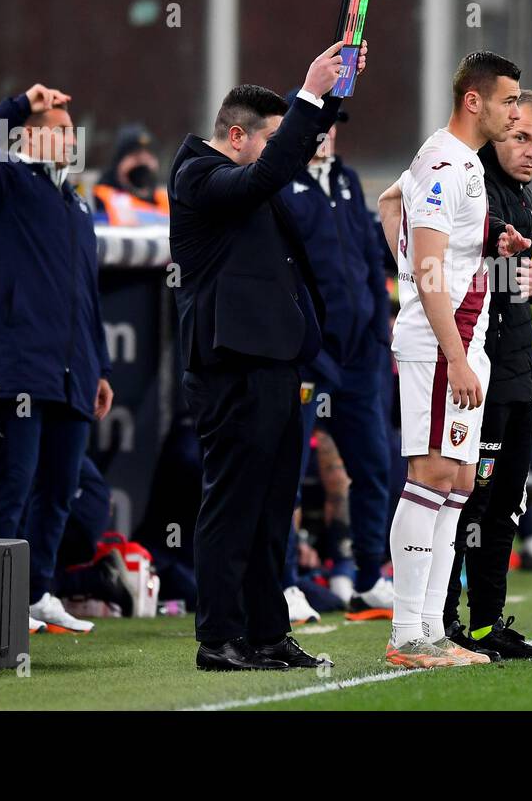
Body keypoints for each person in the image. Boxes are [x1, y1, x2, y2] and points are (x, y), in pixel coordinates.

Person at [168, 39, 361, 672]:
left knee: (274, 507)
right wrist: (308, 92)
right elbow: (269, 172)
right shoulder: (199, 175)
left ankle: (266, 633)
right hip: (232, 366)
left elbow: (278, 165)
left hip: (275, 362)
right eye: (273, 137)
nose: (286, 149)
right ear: (235, 135)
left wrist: (330, 97)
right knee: (232, 504)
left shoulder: (251, 176)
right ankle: (218, 637)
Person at [375, 50, 523, 669]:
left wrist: (493, 253)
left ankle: (431, 630)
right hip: (444, 346)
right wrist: (456, 355)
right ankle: (409, 633)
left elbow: (388, 203)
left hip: (462, 341)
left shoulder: (454, 162)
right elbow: (431, 263)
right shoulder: (445, 161)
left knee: (458, 483)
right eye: (509, 101)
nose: (514, 113)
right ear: (475, 100)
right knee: (432, 476)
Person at [0, 85, 114, 635]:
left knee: (60, 490)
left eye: (71, 130)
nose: (70, 139)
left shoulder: (75, 202)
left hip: (73, 369)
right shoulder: (2, 183)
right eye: (59, 128)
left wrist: (102, 365)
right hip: (19, 365)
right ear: (25, 133)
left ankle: (37, 590)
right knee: (12, 483)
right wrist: (20, 102)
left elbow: (86, 293)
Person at [435, 89, 532, 660]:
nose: (531, 152)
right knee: (468, 501)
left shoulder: (522, 195)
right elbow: (461, 272)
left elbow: (516, 276)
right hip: (478, 369)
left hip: (518, 372)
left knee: (507, 501)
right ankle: (442, 621)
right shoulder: (472, 183)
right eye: (522, 138)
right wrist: (524, 280)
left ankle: (485, 624)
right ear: (499, 129)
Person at [278, 94, 395, 618]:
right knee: (287, 471)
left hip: (358, 359)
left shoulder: (346, 182)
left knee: (374, 466)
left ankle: (370, 576)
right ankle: (283, 582)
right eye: (319, 124)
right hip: (309, 358)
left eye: (333, 126)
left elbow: (371, 261)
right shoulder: (280, 185)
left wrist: (378, 332)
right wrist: (309, 347)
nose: (327, 134)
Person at [91, 123, 169, 225]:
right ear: (119, 163)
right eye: (136, 156)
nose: (144, 162)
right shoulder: (102, 197)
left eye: (150, 155)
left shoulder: (165, 199)